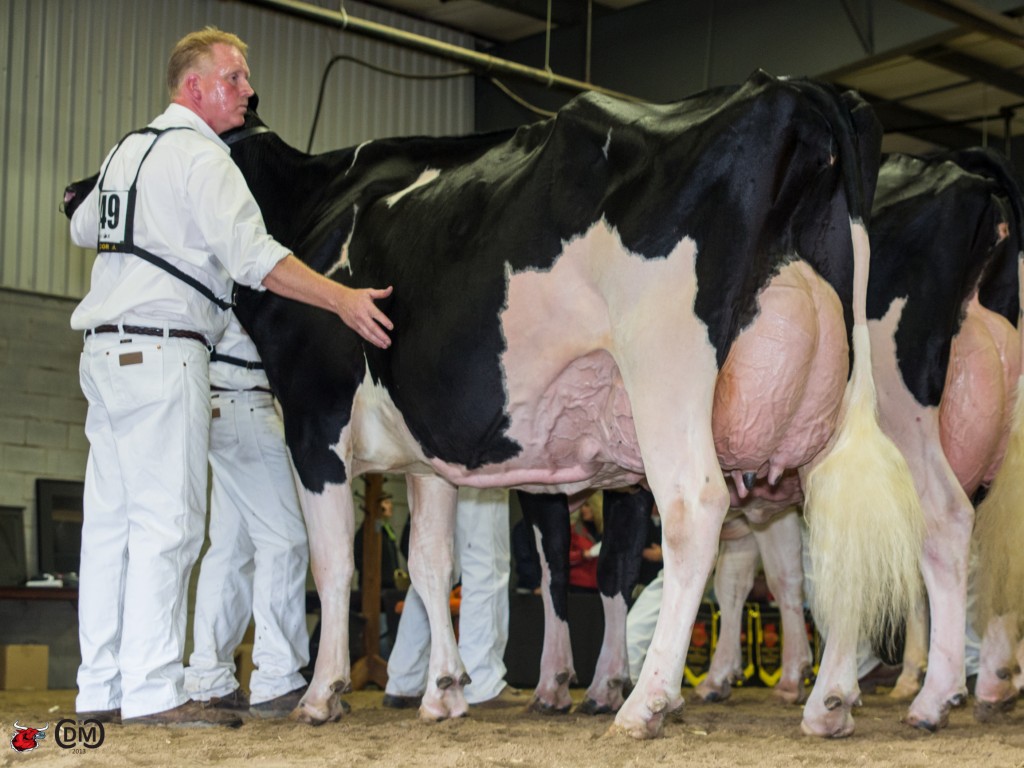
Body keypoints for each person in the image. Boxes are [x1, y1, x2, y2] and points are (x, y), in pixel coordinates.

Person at [68, 26, 392, 728]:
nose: (248, 91)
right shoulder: (203, 158)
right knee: (170, 523)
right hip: (163, 350)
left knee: (111, 526)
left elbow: (84, 227)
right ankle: (154, 690)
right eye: (234, 78)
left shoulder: (127, 150)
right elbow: (255, 258)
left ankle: (101, 687)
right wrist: (341, 298)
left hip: (103, 352)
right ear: (194, 87)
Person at [183, 316, 310, 719]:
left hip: (222, 399)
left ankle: (208, 678)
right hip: (246, 400)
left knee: (231, 547)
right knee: (285, 540)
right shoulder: (254, 272)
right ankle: (278, 677)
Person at [383, 487, 529, 708]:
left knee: (436, 568)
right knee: (485, 550)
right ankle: (481, 678)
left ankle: (405, 679)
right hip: (474, 470)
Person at [567, 493, 602, 592]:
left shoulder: (607, 532)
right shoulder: (574, 530)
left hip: (602, 584)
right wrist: (583, 554)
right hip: (579, 584)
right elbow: (563, 557)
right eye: (581, 506)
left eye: (587, 505)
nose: (582, 509)